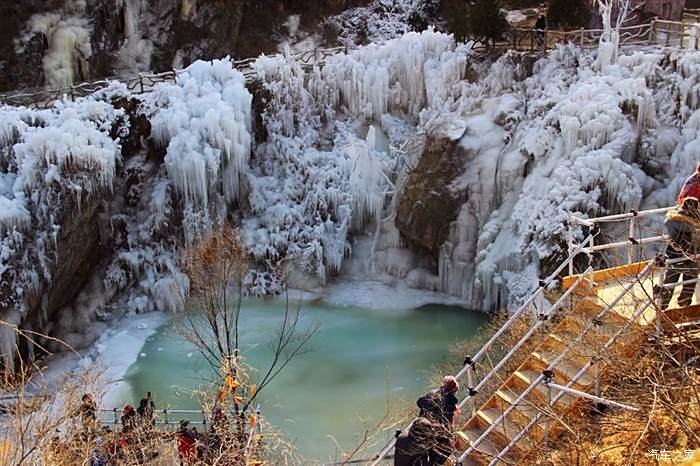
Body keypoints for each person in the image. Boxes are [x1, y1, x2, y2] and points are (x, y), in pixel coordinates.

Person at [657, 196, 700, 310]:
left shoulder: (671, 221)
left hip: (673, 256)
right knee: (689, 284)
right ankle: (684, 306)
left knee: (669, 282)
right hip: (691, 257)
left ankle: (662, 305)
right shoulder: (694, 225)